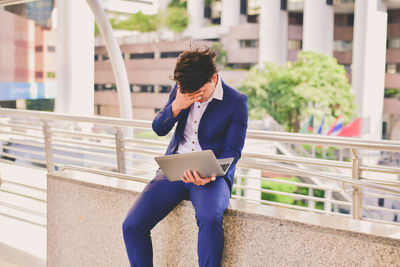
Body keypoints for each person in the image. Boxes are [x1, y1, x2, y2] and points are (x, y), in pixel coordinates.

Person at [122, 47, 248, 267]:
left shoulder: (236, 102)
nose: (194, 97)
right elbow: (158, 128)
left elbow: (232, 152)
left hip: (211, 175)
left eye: (199, 92)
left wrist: (211, 173)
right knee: (132, 225)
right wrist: (176, 106)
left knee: (210, 219)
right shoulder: (181, 90)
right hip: (175, 169)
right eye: (188, 92)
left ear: (214, 78)